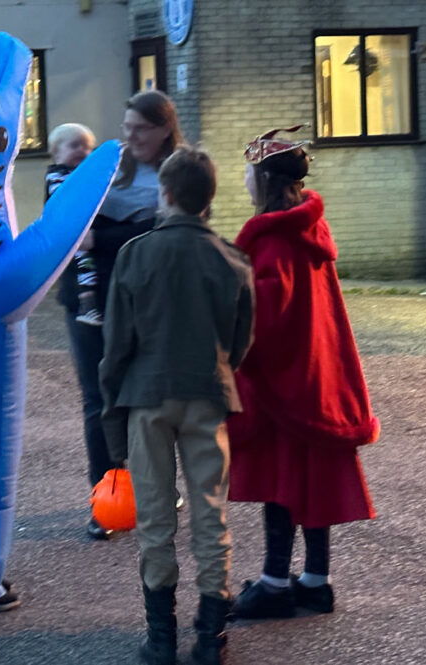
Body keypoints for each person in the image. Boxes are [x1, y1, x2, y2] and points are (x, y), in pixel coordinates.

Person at [100, 146, 254, 665]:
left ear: (165, 195)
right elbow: (240, 342)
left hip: (145, 396)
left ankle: (160, 638)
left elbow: (116, 347)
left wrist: (110, 419)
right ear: (209, 198)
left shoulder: (134, 255)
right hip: (208, 393)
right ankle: (210, 638)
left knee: (156, 517)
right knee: (211, 515)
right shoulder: (234, 260)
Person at [226, 126, 380, 619]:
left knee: (282, 480)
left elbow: (265, 320)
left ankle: (274, 584)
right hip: (317, 374)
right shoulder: (308, 230)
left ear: (266, 178)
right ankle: (314, 580)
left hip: (285, 382)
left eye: (249, 174)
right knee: (311, 476)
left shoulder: (273, 241)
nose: (245, 183)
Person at [58, 90, 184, 540]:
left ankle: (155, 489)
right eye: (126, 127)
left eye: (141, 129)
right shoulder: (107, 163)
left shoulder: (181, 170)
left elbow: (172, 232)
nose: (130, 137)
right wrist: (129, 231)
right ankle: (106, 499)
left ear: (166, 128)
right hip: (89, 296)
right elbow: (69, 220)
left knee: (149, 398)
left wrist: (108, 235)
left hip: (148, 301)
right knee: (98, 400)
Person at [45, 123, 100, 325]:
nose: (82, 151)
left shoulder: (80, 173)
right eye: (75, 146)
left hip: (80, 229)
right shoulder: (57, 174)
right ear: (56, 153)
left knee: (87, 264)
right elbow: (63, 198)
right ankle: (87, 303)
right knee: (84, 264)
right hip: (71, 233)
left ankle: (89, 303)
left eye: (87, 148)